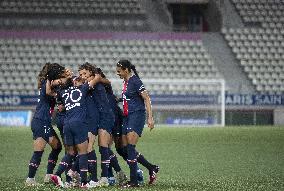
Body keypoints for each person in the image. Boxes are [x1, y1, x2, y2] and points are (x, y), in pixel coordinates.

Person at [49, 71, 105, 188]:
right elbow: (97, 78)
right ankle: (84, 182)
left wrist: (64, 78)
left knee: (70, 152)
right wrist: (93, 73)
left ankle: (57, 174)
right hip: (79, 123)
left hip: (67, 124)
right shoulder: (82, 89)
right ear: (75, 82)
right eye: (79, 80)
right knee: (83, 152)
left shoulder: (63, 92)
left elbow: (50, 91)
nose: (82, 80)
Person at [78, 63, 127, 186]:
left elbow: (103, 80)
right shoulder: (91, 82)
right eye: (80, 74)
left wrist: (95, 77)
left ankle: (104, 177)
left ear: (91, 72)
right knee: (100, 147)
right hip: (95, 117)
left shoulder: (97, 80)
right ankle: (116, 173)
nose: (82, 76)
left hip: (106, 115)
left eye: (84, 73)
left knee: (103, 146)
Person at [116, 59, 159, 187]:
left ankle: (134, 181)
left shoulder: (135, 81)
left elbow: (146, 98)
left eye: (119, 71)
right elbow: (128, 97)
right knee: (123, 148)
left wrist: (150, 118)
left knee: (130, 148)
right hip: (127, 117)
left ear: (126, 70)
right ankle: (151, 167)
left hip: (137, 115)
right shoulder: (126, 82)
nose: (117, 74)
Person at [25, 63, 63, 186]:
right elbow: (48, 91)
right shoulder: (48, 81)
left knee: (57, 147)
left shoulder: (47, 82)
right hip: (40, 121)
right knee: (38, 151)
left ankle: (48, 175)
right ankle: (30, 179)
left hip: (45, 122)